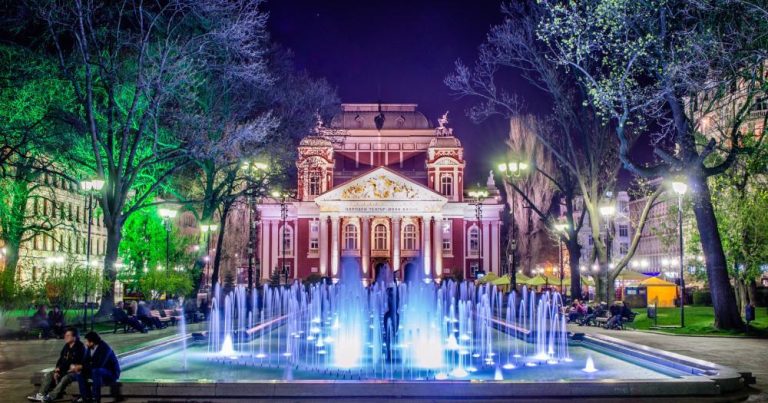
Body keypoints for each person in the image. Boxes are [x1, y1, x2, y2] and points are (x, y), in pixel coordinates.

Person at [27, 327, 86, 402]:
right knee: (49, 375)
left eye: (68, 335)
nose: (65, 337)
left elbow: (73, 362)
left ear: (74, 337)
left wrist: (60, 369)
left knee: (66, 378)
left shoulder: (80, 347)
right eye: (65, 335)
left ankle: (50, 397)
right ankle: (41, 395)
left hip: (74, 372)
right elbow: (61, 359)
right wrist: (57, 369)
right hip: (64, 369)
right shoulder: (67, 346)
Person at [72, 332, 120, 403]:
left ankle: (95, 398)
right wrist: (78, 367)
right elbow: (85, 361)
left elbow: (99, 364)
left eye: (87, 341)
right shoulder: (89, 348)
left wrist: (82, 366)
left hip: (111, 373)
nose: (85, 343)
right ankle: (86, 397)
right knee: (80, 373)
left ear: (92, 342)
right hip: (97, 371)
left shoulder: (105, 348)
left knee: (96, 370)